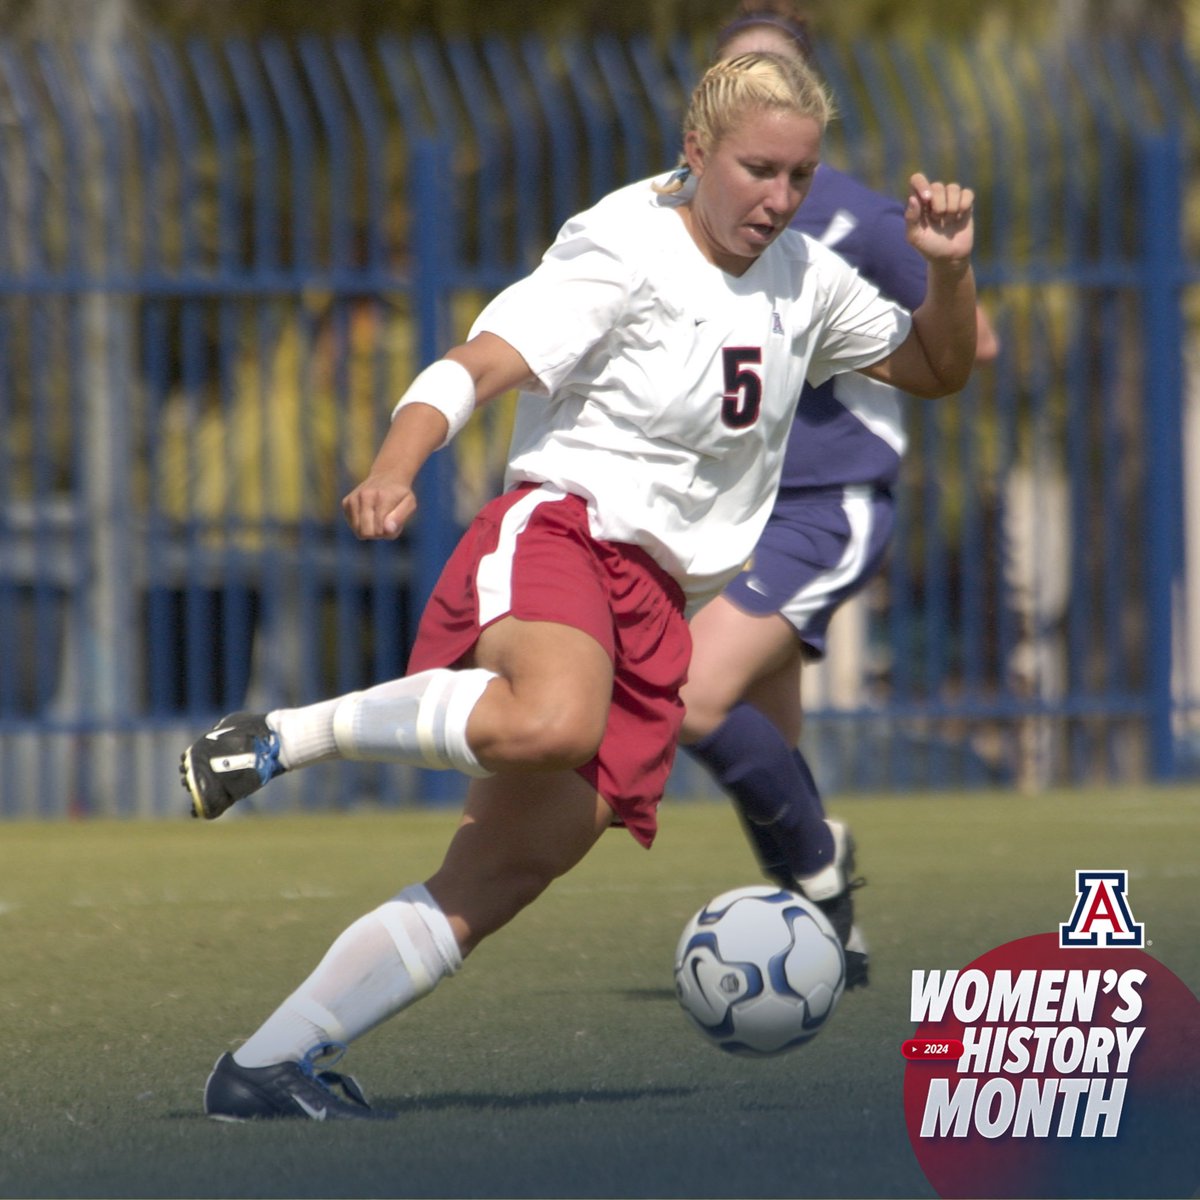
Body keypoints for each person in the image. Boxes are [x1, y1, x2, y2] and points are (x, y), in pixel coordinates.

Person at [179, 49, 978, 1120]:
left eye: (798, 176)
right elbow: (480, 360)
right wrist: (394, 464)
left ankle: (265, 1068)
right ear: (696, 151)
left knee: (506, 873)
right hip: (564, 531)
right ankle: (280, 737)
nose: (778, 198)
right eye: (756, 170)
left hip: (657, 598)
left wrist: (949, 268)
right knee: (552, 719)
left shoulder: (806, 274)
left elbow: (937, 369)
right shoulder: (623, 246)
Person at [679, 1, 1000, 990]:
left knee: (687, 698)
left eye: (779, 79)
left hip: (829, 502)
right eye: (741, 79)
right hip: (731, 514)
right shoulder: (673, 214)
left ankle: (818, 866)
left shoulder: (852, 215)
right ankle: (833, 935)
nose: (763, 99)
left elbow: (971, 346)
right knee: (764, 747)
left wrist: (931, 281)